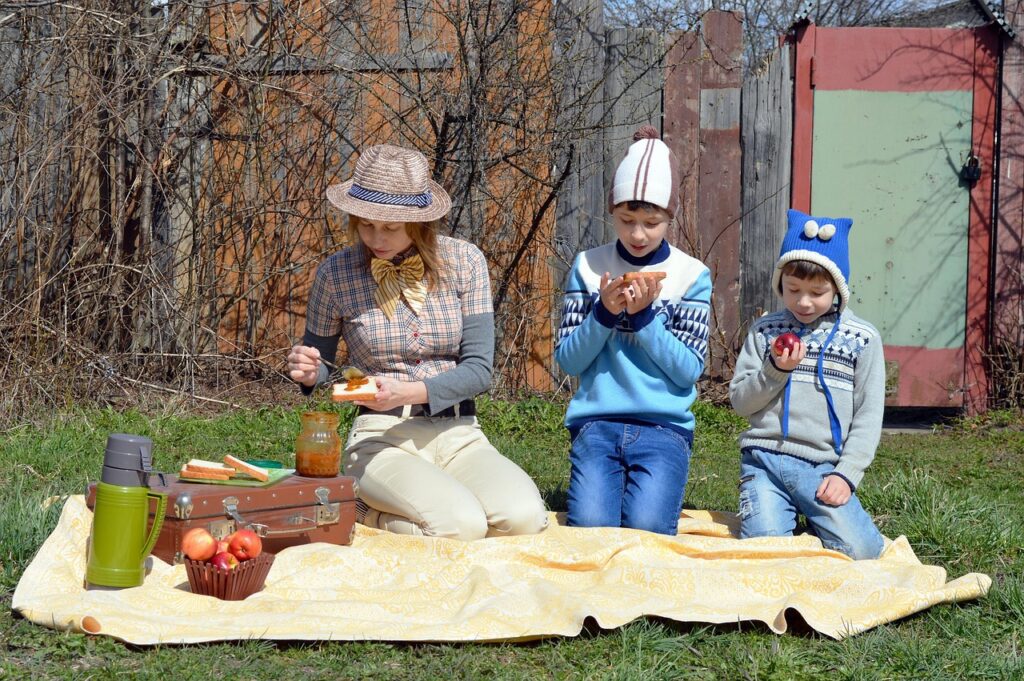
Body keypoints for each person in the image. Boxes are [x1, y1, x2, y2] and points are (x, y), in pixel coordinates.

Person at [286, 143, 548, 540]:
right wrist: (308, 371)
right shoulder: (334, 274)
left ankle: (408, 513)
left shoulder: (465, 262)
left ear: (421, 223)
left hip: (460, 434)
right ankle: (364, 511)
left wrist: (409, 391)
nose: (375, 237)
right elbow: (322, 368)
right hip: (380, 436)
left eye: (390, 227)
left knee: (524, 518)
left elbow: (479, 371)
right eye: (366, 223)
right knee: (461, 525)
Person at [553, 126, 712, 535]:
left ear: (669, 217)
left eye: (651, 222)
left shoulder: (690, 275)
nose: (638, 234)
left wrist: (644, 320)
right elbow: (569, 360)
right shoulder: (589, 267)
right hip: (597, 423)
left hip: (664, 428)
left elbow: (687, 371)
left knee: (647, 528)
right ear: (612, 214)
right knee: (591, 527)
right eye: (626, 220)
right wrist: (603, 313)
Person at [729, 208, 886, 560]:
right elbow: (740, 402)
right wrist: (775, 370)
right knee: (762, 553)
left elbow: (868, 414)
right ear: (780, 284)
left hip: (823, 467)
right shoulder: (766, 332)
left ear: (838, 289)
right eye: (793, 289)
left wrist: (846, 475)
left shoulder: (862, 339)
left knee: (863, 552)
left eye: (817, 292)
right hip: (763, 461)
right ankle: (786, 518)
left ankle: (819, 518)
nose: (803, 301)